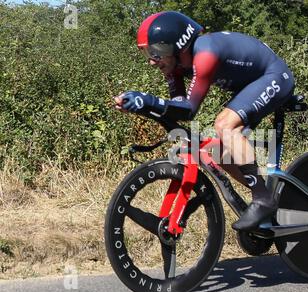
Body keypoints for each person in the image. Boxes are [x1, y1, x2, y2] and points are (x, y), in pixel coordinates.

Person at [114, 11, 295, 231]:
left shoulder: (206, 52)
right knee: (221, 153)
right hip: (251, 84)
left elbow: (189, 110)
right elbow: (177, 107)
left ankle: (263, 200)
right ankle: (270, 198)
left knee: (225, 125)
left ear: (178, 44)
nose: (152, 61)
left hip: (274, 76)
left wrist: (149, 100)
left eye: (156, 52)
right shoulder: (176, 66)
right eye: (147, 53)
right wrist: (143, 106)